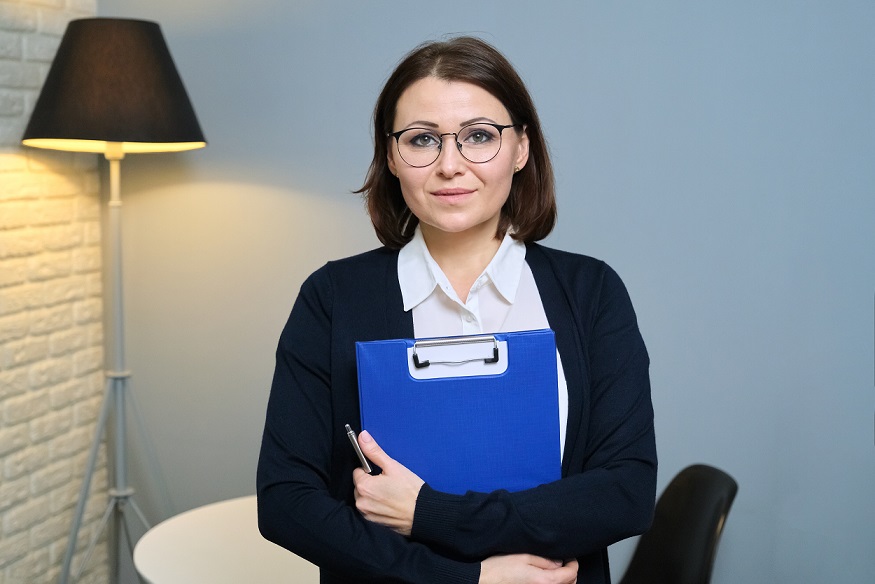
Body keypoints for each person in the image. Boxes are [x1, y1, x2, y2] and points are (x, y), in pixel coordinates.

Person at [257, 36, 656, 584]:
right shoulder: (332, 298)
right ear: (391, 156)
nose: (451, 165)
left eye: (479, 137)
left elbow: (624, 494)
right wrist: (470, 579)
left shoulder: (591, 292)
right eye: (422, 140)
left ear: (521, 149)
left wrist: (426, 513)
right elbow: (286, 501)